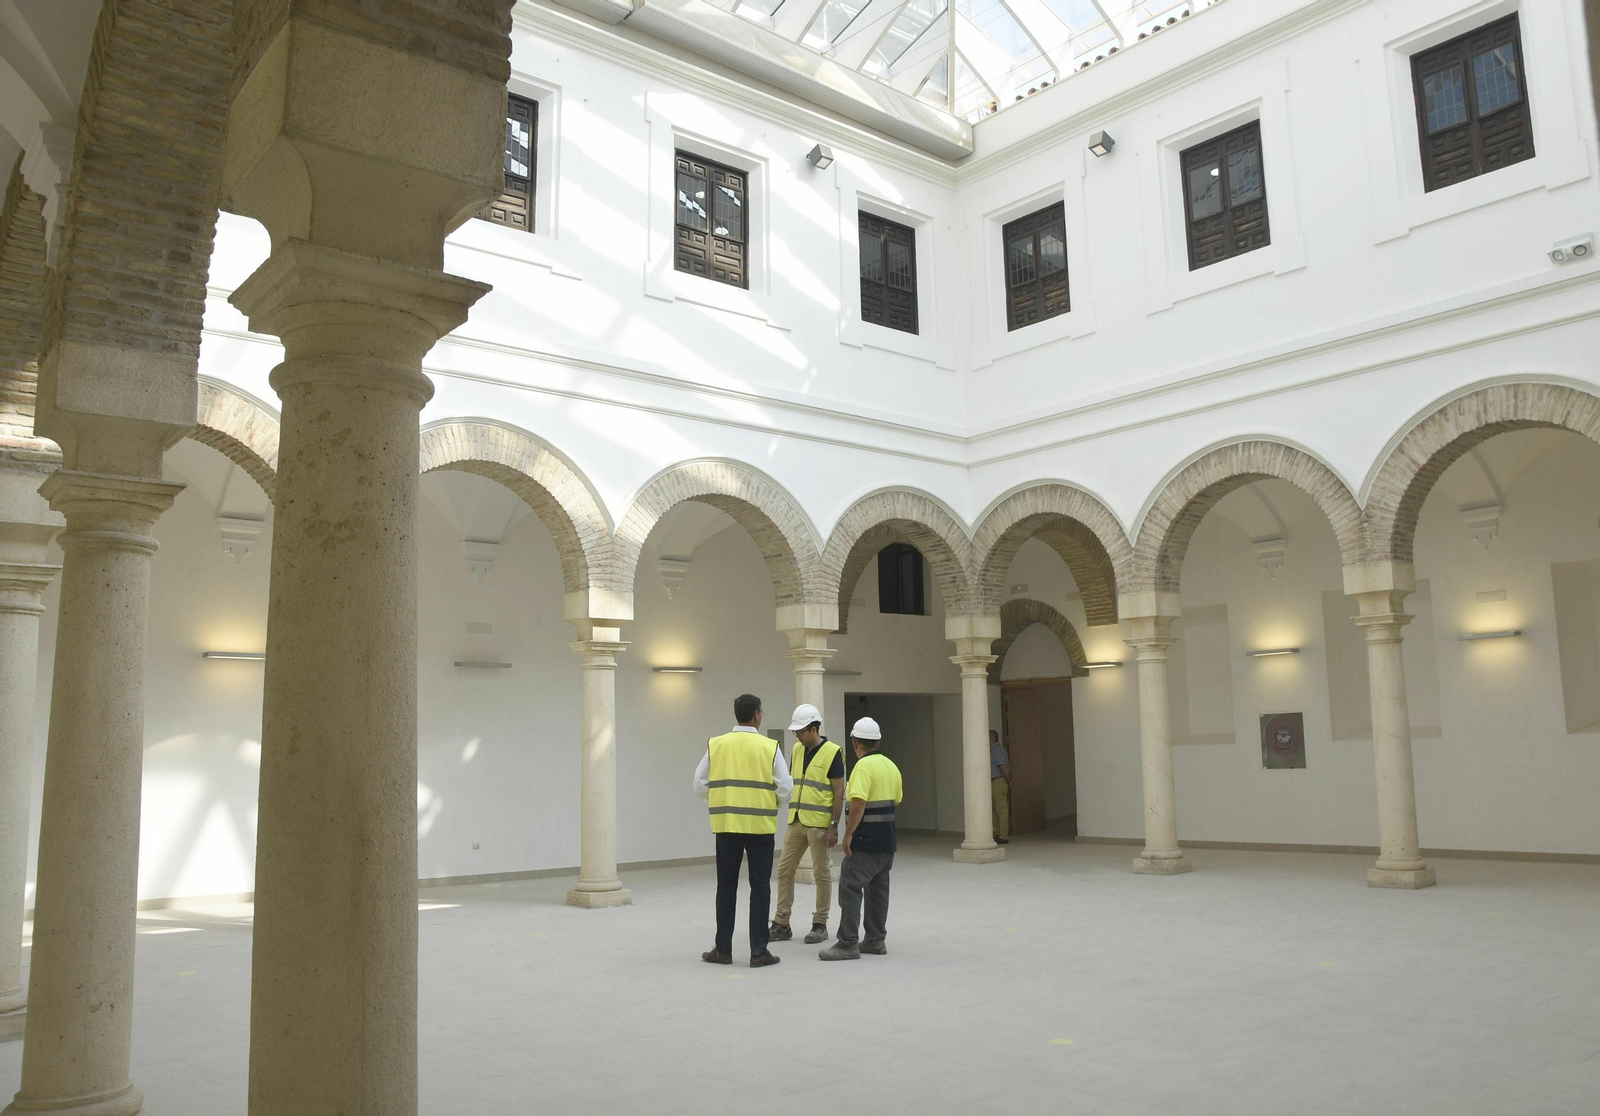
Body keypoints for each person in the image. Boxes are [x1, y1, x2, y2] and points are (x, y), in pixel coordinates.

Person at [693, 693, 793, 968]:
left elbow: (699, 784)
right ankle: (759, 951)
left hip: (727, 826)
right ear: (757, 714)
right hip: (760, 827)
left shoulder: (717, 744)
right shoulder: (769, 747)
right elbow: (786, 786)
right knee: (760, 888)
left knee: (726, 887)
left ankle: (723, 950)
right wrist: (771, 802)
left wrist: (722, 797)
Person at [819, 717, 902, 961]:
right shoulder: (891, 766)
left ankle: (847, 943)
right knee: (878, 889)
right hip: (887, 841)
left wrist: (848, 835)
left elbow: (859, 803)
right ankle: (875, 940)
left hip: (866, 840)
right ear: (877, 742)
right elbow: (897, 799)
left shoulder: (863, 767)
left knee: (850, 885)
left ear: (855, 743)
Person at [770, 703, 845, 946]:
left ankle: (820, 924)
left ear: (814, 728)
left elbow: (839, 792)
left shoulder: (833, 752)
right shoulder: (797, 749)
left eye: (800, 731)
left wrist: (834, 825)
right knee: (784, 870)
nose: (797, 736)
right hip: (796, 820)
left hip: (820, 825)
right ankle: (782, 923)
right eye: (795, 732)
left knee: (822, 873)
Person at [990, 729, 1012, 845]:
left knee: (1001, 809)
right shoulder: (993, 750)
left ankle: (1003, 836)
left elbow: (1002, 767)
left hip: (998, 781)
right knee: (994, 810)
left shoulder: (997, 750)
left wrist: (1008, 780)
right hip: (993, 782)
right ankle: (998, 833)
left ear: (991, 739)